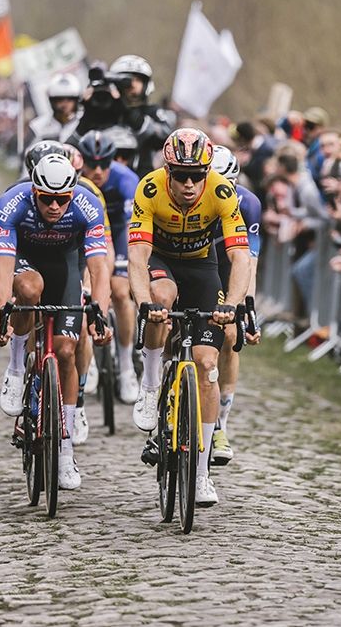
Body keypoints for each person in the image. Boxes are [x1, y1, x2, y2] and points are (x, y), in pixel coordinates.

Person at [128, 128, 250, 506]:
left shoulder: (221, 191)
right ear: (167, 172)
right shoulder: (149, 189)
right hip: (162, 263)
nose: (188, 184)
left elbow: (240, 257)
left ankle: (200, 472)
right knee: (161, 298)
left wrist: (232, 303)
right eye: (179, 175)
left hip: (202, 268)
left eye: (196, 175)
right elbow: (137, 256)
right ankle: (150, 387)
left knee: (206, 362)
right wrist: (144, 301)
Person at [0, 154, 111, 490]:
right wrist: (2, 319)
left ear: (71, 194)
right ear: (34, 192)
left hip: (65, 266)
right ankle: (16, 367)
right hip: (25, 260)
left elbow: (99, 268)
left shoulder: (86, 204)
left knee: (67, 351)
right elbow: (2, 270)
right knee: (30, 288)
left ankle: (66, 448)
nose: (55, 207)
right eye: (47, 199)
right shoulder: (12, 202)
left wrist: (99, 312)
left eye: (62, 200)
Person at [77, 130, 142, 404]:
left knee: (120, 291)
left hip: (118, 232)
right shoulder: (76, 179)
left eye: (105, 163)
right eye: (92, 165)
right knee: (83, 290)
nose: (99, 171)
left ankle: (126, 365)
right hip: (86, 233)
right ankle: (88, 355)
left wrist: (122, 264)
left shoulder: (126, 180)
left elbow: (130, 229)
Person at [208, 146, 262, 466]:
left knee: (229, 335)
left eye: (227, 187)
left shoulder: (248, 204)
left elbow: (249, 262)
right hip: (192, 261)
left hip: (227, 266)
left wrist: (247, 309)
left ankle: (220, 425)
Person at [28, 72, 82, 143]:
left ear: (77, 100)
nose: (65, 103)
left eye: (70, 99)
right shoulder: (37, 126)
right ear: (52, 101)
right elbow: (28, 151)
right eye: (59, 99)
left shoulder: (84, 122)